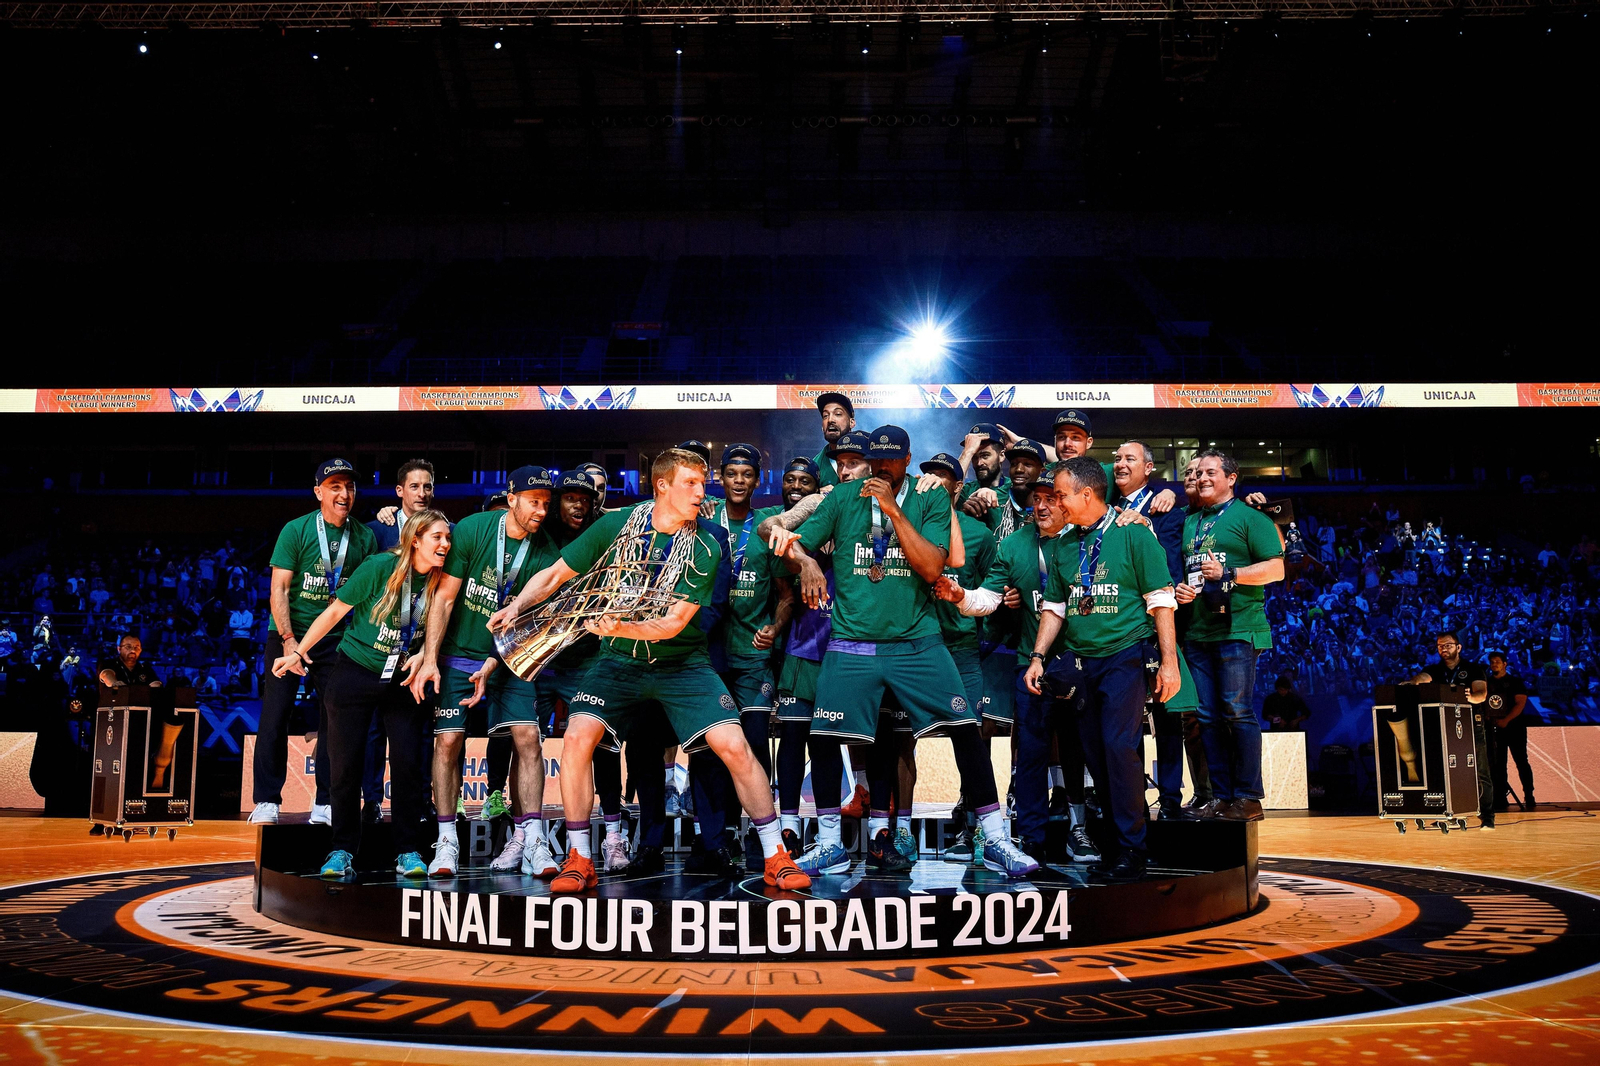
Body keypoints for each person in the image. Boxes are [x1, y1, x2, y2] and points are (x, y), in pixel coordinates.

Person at [491, 448, 811, 894]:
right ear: (662, 486)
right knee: (578, 739)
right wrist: (518, 605)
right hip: (619, 661)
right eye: (691, 483)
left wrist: (618, 624)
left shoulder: (704, 545)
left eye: (703, 483)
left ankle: (777, 855)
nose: (703, 492)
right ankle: (580, 856)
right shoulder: (618, 525)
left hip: (683, 663)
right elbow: (555, 574)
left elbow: (673, 623)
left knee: (735, 746)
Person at [771, 425, 1039, 879]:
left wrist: (893, 510)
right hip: (852, 643)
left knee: (964, 730)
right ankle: (831, 843)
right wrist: (808, 560)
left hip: (918, 642)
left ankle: (994, 837)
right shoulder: (842, 497)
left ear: (906, 459)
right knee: (825, 739)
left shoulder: (929, 497)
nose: (881, 468)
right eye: (876, 459)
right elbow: (786, 545)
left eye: (891, 461)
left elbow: (933, 565)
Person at [270, 509, 452, 881]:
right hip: (355, 671)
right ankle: (341, 849)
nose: (445, 545)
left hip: (404, 678)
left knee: (407, 765)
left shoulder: (443, 581)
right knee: (346, 765)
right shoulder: (378, 568)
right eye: (437, 538)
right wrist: (297, 651)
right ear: (415, 539)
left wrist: (425, 653)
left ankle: (407, 850)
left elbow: (445, 622)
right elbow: (335, 611)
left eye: (448, 538)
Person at [1025, 457, 1181, 882]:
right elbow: (1055, 608)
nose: (1054, 502)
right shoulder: (1062, 544)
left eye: (1060, 495)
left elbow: (1161, 599)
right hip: (1079, 663)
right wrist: (1038, 656)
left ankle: (1133, 848)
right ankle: (1116, 844)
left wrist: (1168, 663)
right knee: (1096, 754)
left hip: (1124, 656)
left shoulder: (1134, 533)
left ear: (1086, 495)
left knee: (1118, 747)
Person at [935, 470, 1100, 866]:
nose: (1041, 506)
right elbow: (988, 598)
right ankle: (1030, 835)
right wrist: (962, 597)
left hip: (1082, 662)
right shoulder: (1011, 545)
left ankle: (1080, 829)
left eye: (1050, 498)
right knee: (1030, 753)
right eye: (1035, 499)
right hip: (1033, 664)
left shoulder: (1088, 540)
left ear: (1066, 501)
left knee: (1078, 750)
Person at [409, 467, 563, 878]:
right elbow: (443, 599)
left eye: (547, 502)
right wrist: (429, 657)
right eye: (534, 501)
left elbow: (530, 624)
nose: (542, 510)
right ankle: (446, 842)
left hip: (510, 659)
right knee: (448, 743)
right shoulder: (475, 529)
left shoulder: (547, 550)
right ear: (511, 498)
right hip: (459, 654)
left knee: (529, 739)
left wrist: (495, 661)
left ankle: (532, 838)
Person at [250, 459, 378, 826]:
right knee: (275, 715)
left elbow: (367, 597)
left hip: (335, 641)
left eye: (350, 487)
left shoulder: (364, 537)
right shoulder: (296, 530)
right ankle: (267, 800)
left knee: (334, 721)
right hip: (289, 634)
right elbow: (280, 589)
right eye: (335, 486)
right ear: (318, 491)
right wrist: (290, 640)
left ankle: (325, 800)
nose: (344, 494)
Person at [1173, 448, 1284, 823]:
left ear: (1231, 477)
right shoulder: (1191, 520)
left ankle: (1250, 797)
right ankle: (1221, 796)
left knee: (1236, 711)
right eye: (1198, 472)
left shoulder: (1250, 517)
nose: (1202, 478)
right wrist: (1182, 591)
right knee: (1206, 716)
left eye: (1210, 472)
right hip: (1198, 629)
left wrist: (1230, 574)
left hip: (1239, 627)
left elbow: (1276, 569)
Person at [1116, 442, 1208, 821]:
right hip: (1118, 626)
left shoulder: (1165, 509)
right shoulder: (1101, 501)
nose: (1120, 464)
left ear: (1149, 468)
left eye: (1130, 459)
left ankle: (1171, 795)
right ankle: (1129, 794)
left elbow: (1172, 563)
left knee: (1168, 715)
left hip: (1158, 625)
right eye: (1117, 459)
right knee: (1125, 718)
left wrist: (1150, 523)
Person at [1413, 630, 1493, 828]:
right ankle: (1450, 814)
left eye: (1448, 645)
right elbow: (1422, 678)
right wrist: (1412, 682)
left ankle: (1488, 816)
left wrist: (1472, 698)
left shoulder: (1473, 669)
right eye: (1440, 646)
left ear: (1458, 647)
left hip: (1471, 725)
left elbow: (1481, 692)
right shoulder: (1434, 669)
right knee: (1444, 770)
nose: (1444, 649)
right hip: (1444, 727)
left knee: (1480, 771)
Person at [1486, 650, 1535, 812]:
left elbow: (1520, 703)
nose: (1494, 664)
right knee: (1499, 765)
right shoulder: (1486, 683)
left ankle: (1529, 796)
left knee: (1521, 762)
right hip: (1495, 730)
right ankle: (1500, 797)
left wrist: (1506, 720)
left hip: (1515, 729)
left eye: (1497, 662)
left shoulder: (1515, 682)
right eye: (1492, 662)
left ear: (1505, 664)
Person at [368, 459, 437, 551]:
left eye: (427, 487)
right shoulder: (375, 531)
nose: (422, 494)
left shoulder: (449, 531)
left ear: (433, 491)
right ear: (399, 491)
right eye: (414, 487)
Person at [811, 392, 857, 488]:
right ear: (822, 427)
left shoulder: (868, 456)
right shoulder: (815, 466)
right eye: (825, 416)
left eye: (838, 414)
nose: (830, 419)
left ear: (851, 422)